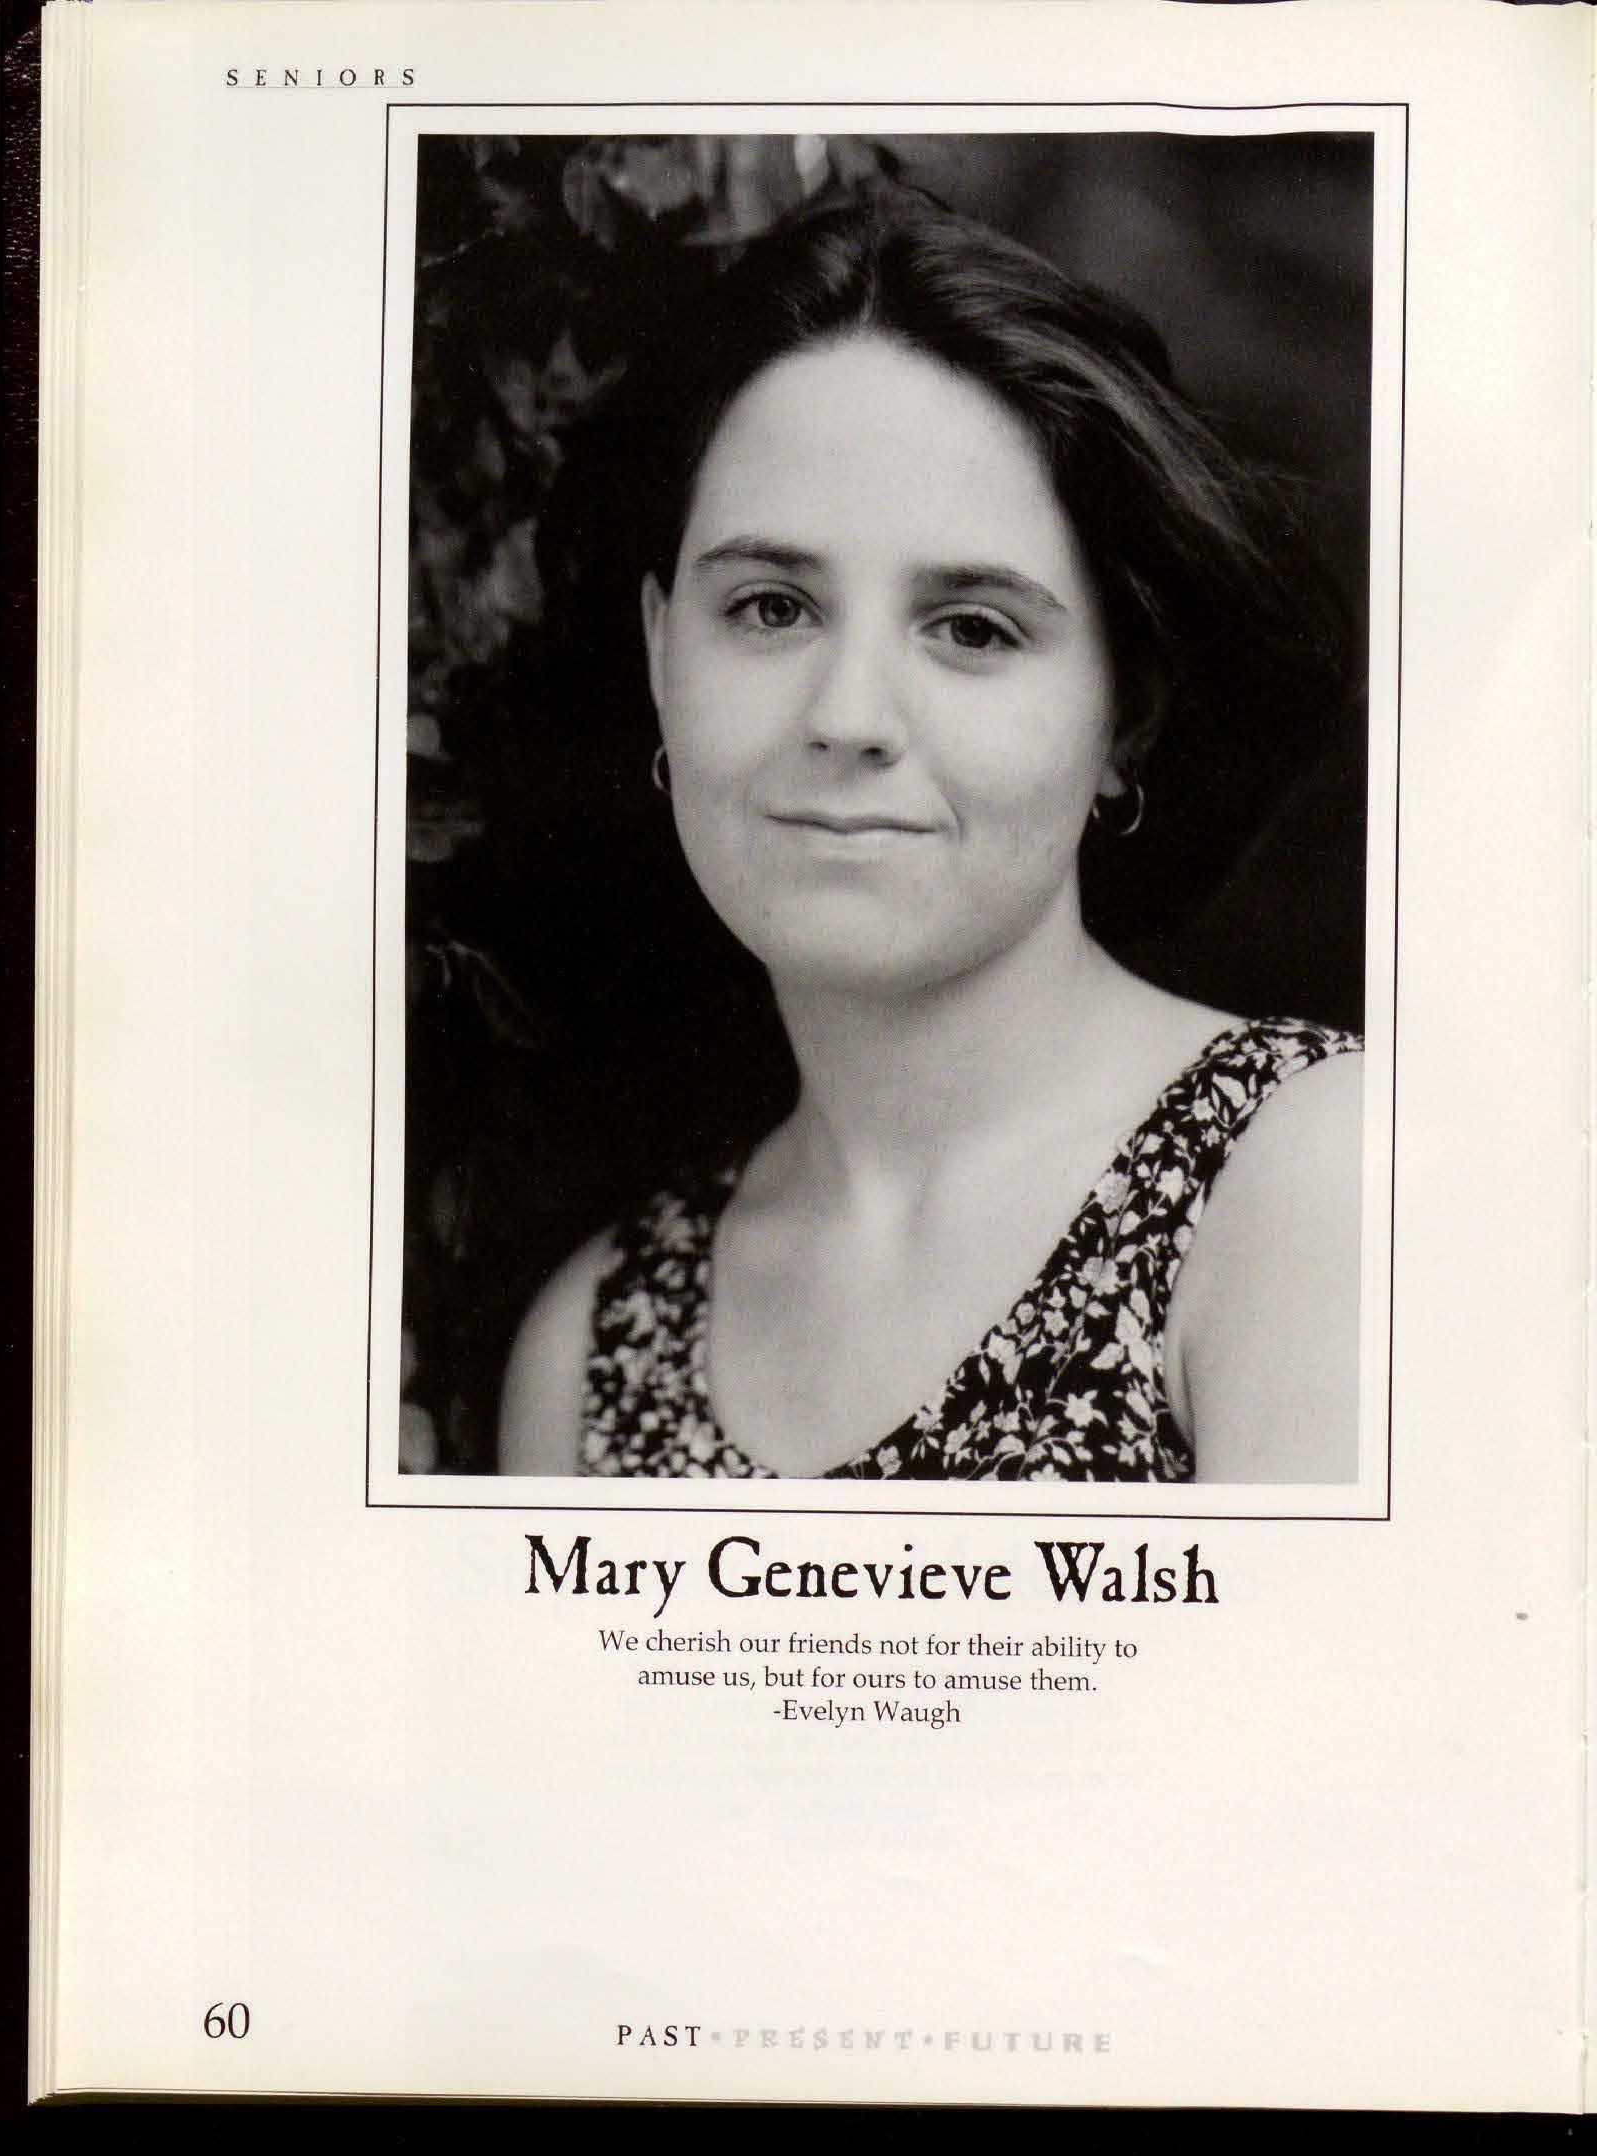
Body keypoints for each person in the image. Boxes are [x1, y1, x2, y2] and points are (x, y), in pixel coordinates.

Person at [498, 189, 1363, 1485]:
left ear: (1127, 715)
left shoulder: (1312, 1179)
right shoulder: (589, 1353)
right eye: (771, 607)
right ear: (660, 655)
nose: (847, 718)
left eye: (971, 629)